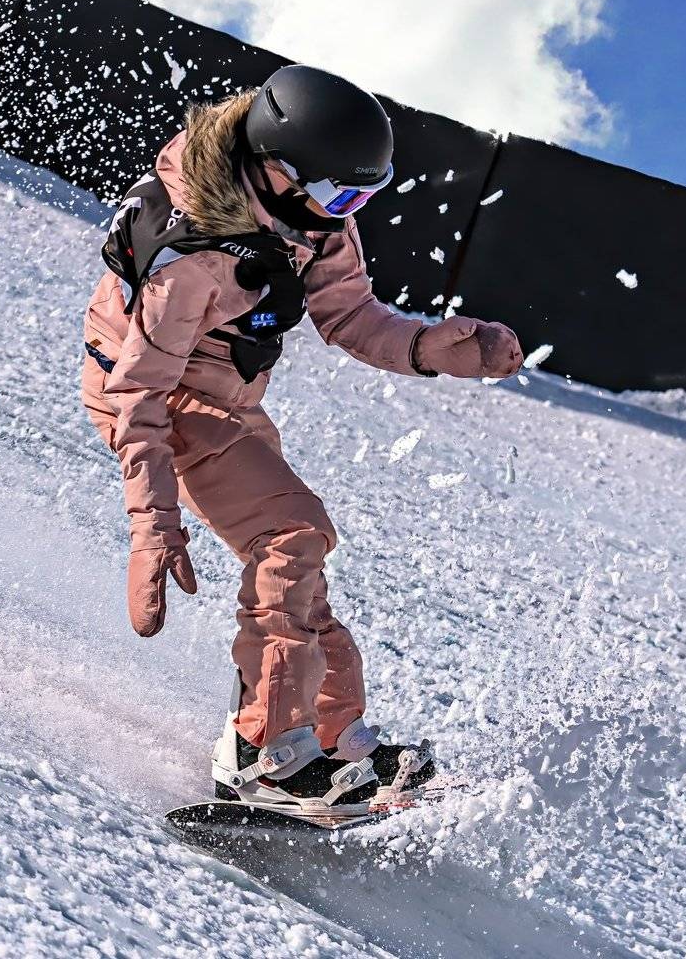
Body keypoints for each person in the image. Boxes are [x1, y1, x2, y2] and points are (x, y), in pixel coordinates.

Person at [81, 65, 523, 811]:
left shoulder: (311, 217)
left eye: (363, 200)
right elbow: (138, 392)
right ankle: (262, 756)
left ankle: (331, 742)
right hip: (154, 400)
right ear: (278, 172)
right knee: (291, 535)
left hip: (225, 395)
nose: (346, 216)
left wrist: (427, 348)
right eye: (340, 197)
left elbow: (348, 313)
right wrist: (152, 522)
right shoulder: (192, 258)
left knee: (297, 576)